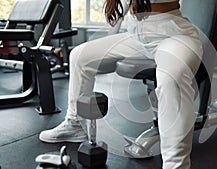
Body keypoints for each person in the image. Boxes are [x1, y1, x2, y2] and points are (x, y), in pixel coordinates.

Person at [39, 0, 203, 168]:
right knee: (79, 57)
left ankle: (176, 165)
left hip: (174, 35)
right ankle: (75, 123)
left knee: (171, 78)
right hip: (138, 38)